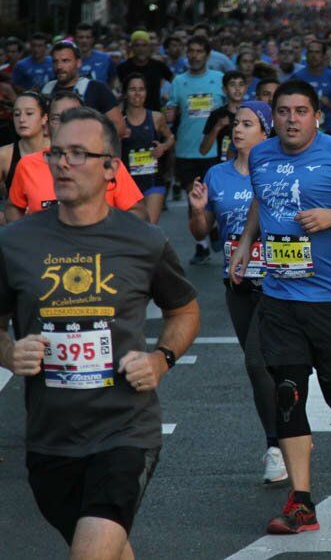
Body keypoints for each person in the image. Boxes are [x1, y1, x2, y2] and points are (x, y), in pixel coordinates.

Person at [0, 106, 199, 558]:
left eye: (77, 154)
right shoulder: (15, 242)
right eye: (56, 153)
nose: (62, 163)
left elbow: (185, 310)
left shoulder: (144, 241)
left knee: (90, 552)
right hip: (50, 438)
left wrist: (159, 360)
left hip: (124, 432)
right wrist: (11, 354)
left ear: (111, 167)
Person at [229, 80, 331, 535]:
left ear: (316, 116)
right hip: (281, 294)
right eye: (283, 111)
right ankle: (301, 502)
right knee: (287, 392)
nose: (291, 119)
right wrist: (247, 244)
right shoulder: (262, 156)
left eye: (301, 111)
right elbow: (264, 202)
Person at [189, 101, 285, 484]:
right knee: (262, 366)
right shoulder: (217, 174)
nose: (237, 130)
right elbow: (200, 232)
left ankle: (276, 445)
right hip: (238, 284)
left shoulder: (279, 170)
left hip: (279, 282)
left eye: (247, 124)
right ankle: (291, 431)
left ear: (265, 132)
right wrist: (198, 210)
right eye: (235, 124)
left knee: (258, 363)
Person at [5, 91, 147, 222]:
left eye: (74, 117)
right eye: (56, 118)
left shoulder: (105, 163)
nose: (65, 125)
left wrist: (108, 236)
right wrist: (25, 239)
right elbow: (13, 208)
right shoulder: (27, 165)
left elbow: (139, 213)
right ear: (47, 124)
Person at [165, 35, 226, 263]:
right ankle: (201, 245)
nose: (194, 55)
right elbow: (171, 110)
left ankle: (212, 226)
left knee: (214, 199)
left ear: (207, 55)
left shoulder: (219, 79)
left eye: (199, 51)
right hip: (186, 150)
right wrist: (169, 112)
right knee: (195, 197)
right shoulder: (179, 81)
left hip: (215, 152)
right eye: (190, 51)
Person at [42, 40, 125, 137]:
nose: (59, 66)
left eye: (65, 61)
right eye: (55, 61)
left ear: (78, 63)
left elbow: (119, 127)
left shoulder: (96, 88)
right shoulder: (47, 90)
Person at [121, 75, 175, 224]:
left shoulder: (156, 117)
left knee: (150, 227)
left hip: (153, 181)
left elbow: (171, 138)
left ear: (146, 93)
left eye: (141, 89)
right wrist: (119, 138)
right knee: (134, 228)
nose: (137, 94)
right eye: (133, 89)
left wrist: (163, 147)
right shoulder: (119, 122)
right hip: (129, 184)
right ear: (125, 94)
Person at [1, 91, 50, 195]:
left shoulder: (59, 150)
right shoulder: (4, 155)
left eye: (29, 113)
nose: (22, 119)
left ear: (44, 118)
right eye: (17, 114)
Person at [116, 31, 174, 111]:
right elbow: (115, 90)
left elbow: (176, 82)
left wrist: (172, 100)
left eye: (144, 45)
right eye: (137, 45)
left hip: (154, 115)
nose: (141, 49)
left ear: (149, 47)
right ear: (132, 47)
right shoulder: (123, 68)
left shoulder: (159, 66)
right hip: (130, 116)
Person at [201, 70, 248, 164]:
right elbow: (203, 150)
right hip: (224, 167)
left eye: (241, 84)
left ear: (246, 88)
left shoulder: (252, 112)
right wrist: (217, 127)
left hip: (249, 166)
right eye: (232, 85)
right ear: (224, 90)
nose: (237, 89)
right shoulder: (217, 115)